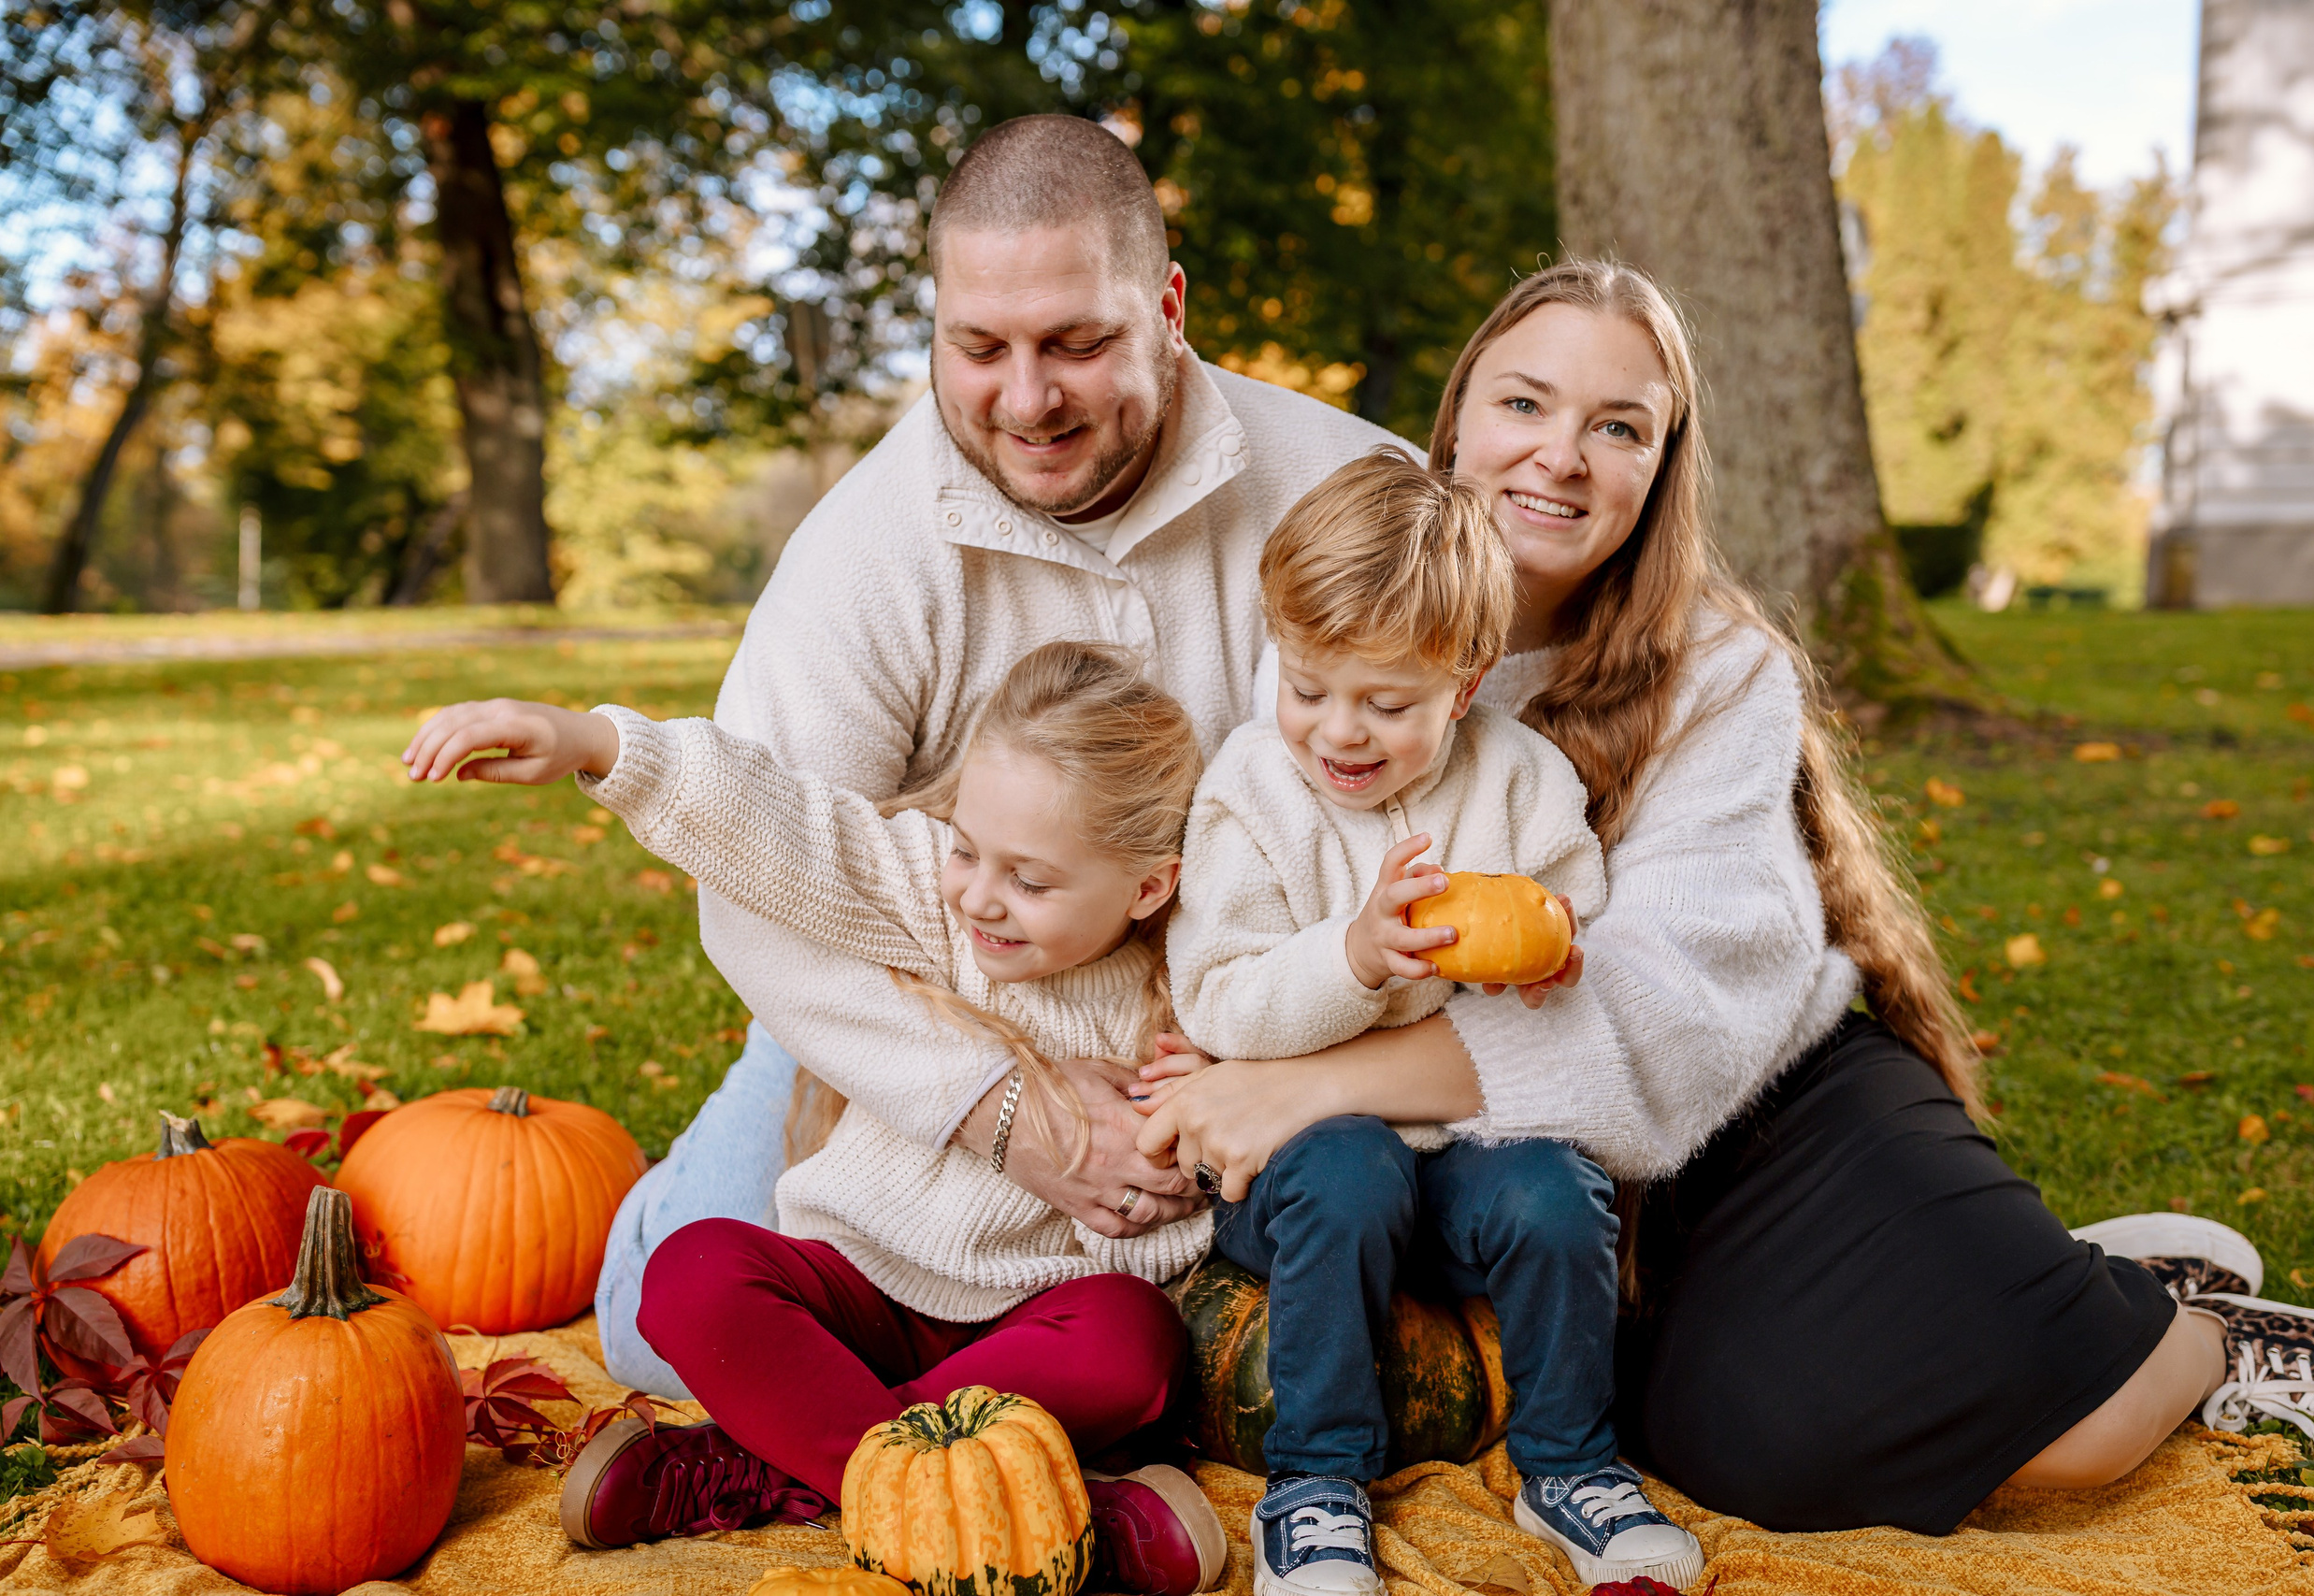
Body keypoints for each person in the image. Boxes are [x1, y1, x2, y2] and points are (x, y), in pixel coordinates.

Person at [1130, 257, 2314, 1534]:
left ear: (1661, 468)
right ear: (1454, 423)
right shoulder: (1337, 629)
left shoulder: (1717, 670)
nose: (1560, 456)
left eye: (1617, 426)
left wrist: (1304, 1081)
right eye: (1525, 405)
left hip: (1766, 1102)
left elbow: (1658, 1014)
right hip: (1550, 1173)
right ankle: (2070, 1280)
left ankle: (2199, 1333)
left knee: (2079, 1434)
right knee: (1753, 1456)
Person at [592, 111, 1405, 1406]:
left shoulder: (1344, 486)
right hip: (932, 992)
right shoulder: (866, 547)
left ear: (1169, 306)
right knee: (649, 1332)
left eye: (1079, 342)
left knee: (1178, 1354)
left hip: (1234, 1022)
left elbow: (1481, 747)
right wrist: (998, 1107)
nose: (1028, 400)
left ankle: (913, 1418)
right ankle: (908, 1427)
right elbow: (756, 880)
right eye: (980, 348)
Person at [400, 642, 1228, 1594]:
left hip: (1037, 1322)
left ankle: (766, 1465)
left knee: (1135, 1342)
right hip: (863, 1292)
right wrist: (597, 743)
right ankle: (1039, 1513)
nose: (981, 898)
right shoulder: (927, 901)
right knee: (692, 1272)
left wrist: (1202, 1104)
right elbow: (785, 826)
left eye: (1031, 882)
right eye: (966, 848)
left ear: (1149, 887)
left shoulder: (1192, 985)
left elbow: (1238, 1131)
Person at [1160, 449, 1701, 1592]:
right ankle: (1314, 1487)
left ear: (1465, 682)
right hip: (1305, 1181)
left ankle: (1568, 1467)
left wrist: (1551, 958)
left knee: (1557, 1191)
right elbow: (1217, 998)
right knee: (1349, 1169)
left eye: (1387, 703)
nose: (1340, 733)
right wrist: (1349, 957)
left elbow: (1572, 922)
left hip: (1462, 1163)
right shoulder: (1250, 794)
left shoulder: (1516, 780)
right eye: (1307, 688)